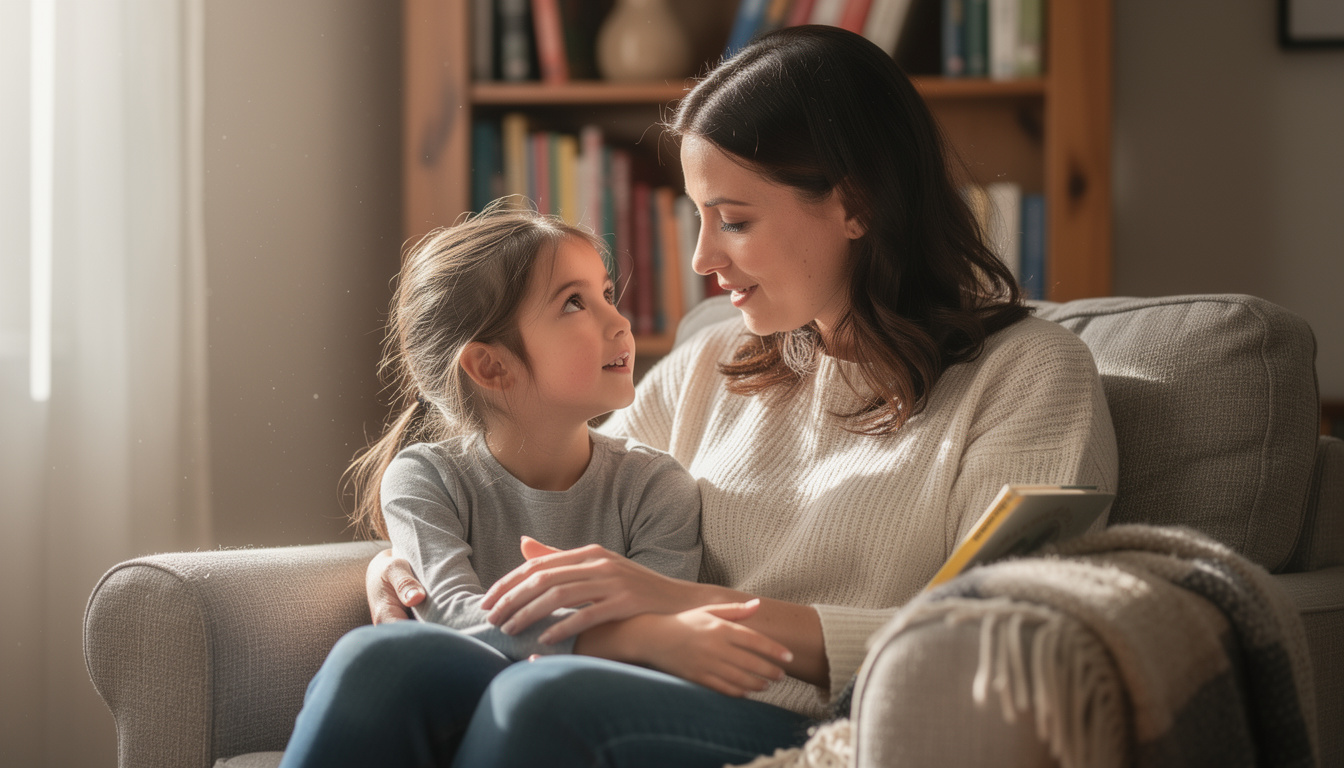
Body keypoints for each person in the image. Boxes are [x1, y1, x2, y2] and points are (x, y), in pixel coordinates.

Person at [360, 24, 1118, 768]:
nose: (701, 258)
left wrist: (671, 601)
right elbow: (543, 486)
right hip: (655, 685)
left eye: (734, 220)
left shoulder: (1027, 377)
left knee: (540, 701)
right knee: (390, 665)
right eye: (697, 216)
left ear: (856, 206)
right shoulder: (709, 366)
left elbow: (996, 639)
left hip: (820, 726)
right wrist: (408, 563)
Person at [278, 203, 789, 768]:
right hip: (466, 692)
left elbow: (662, 654)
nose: (618, 322)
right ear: (492, 367)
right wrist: (625, 636)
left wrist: (632, 641)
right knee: (371, 657)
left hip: (590, 714)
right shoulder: (424, 478)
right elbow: (449, 618)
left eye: (606, 293)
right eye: (575, 303)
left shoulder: (656, 486)